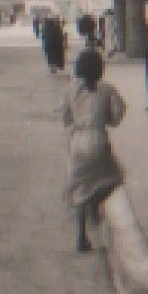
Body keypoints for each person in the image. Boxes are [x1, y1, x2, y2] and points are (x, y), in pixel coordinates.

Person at [62, 48, 127, 252]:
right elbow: (117, 116)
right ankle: (94, 204)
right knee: (114, 178)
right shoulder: (107, 89)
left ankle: (81, 236)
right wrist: (105, 118)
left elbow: (66, 118)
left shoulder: (71, 90)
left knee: (80, 187)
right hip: (98, 140)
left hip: (77, 142)